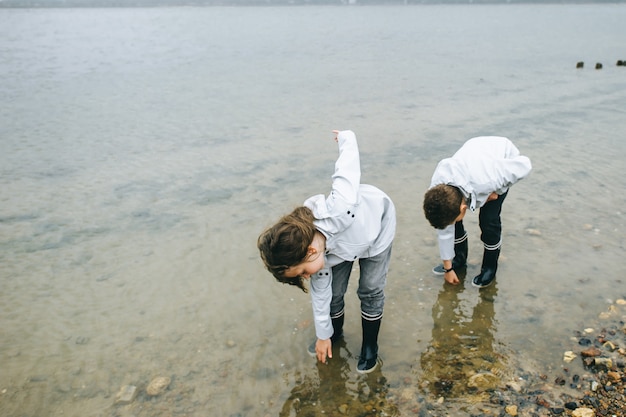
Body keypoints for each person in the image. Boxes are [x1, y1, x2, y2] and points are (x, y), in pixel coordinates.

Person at [257, 129, 396, 374]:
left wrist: (346, 138)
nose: (306, 277)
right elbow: (319, 297)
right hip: (338, 249)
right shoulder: (315, 261)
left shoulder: (340, 208)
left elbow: (347, 169)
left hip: (376, 227)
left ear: (309, 250)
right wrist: (323, 336)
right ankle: (335, 334)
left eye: (302, 272)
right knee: (332, 293)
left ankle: (370, 347)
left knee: (370, 289)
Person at [422, 136, 531, 288]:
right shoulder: (437, 187)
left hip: (499, 155)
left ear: (463, 207)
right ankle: (459, 259)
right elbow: (444, 229)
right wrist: (448, 268)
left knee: (488, 221)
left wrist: (498, 191)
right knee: (450, 218)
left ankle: (489, 267)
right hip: (473, 155)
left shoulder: (489, 179)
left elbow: (524, 165)